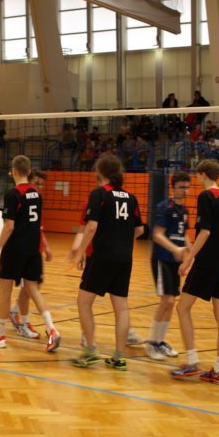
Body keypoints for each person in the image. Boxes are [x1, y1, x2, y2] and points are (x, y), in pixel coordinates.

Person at [68, 154, 143, 370]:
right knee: (121, 308)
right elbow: (139, 230)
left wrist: (80, 253)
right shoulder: (131, 197)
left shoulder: (99, 194)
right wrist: (121, 239)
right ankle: (119, 356)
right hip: (124, 258)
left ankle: (91, 350)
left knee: (84, 302)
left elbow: (91, 227)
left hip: (102, 256)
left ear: (100, 172)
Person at [169, 159, 219, 384]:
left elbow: (205, 232)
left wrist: (188, 260)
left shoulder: (206, 197)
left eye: (197, 175)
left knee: (182, 308)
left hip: (208, 262)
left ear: (203, 174)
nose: (196, 179)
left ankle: (192, 362)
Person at [0, 156, 61, 351]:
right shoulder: (37, 194)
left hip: (15, 249)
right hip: (33, 250)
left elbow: (9, 226)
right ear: (29, 171)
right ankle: (51, 329)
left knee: (5, 292)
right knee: (33, 289)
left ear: (14, 171)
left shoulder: (13, 194)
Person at [145, 172, 191, 360]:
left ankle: (160, 341)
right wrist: (174, 248)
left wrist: (191, 252)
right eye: (181, 187)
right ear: (173, 187)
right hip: (162, 258)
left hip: (175, 261)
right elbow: (157, 235)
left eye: (187, 187)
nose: (185, 191)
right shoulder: (165, 207)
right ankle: (151, 343)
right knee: (167, 301)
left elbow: (184, 234)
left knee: (171, 303)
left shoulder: (184, 210)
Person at [8, 169, 54, 339]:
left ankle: (14, 311)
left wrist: (46, 246)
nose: (39, 187)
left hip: (35, 249)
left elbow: (38, 227)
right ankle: (22, 322)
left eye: (42, 184)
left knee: (33, 286)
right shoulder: (20, 197)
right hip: (24, 250)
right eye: (36, 183)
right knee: (29, 287)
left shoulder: (37, 199)